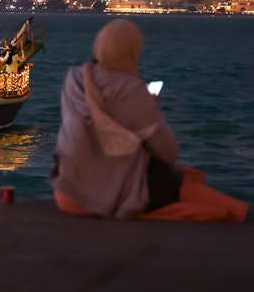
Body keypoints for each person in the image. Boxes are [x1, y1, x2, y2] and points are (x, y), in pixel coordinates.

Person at [50, 18, 249, 222]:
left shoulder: (73, 79)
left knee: (184, 178)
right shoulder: (132, 90)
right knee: (215, 200)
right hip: (108, 197)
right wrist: (150, 108)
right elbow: (168, 153)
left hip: (67, 195)